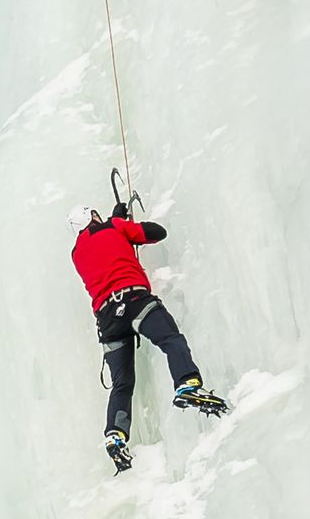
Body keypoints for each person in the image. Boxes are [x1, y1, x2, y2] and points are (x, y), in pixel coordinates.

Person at [72, 200, 229, 471]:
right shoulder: (114, 227)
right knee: (170, 339)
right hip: (134, 300)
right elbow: (156, 232)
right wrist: (123, 223)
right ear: (91, 216)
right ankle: (187, 383)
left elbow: (100, 248)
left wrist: (115, 224)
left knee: (122, 383)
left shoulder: (76, 253)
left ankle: (115, 434)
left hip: (108, 320)